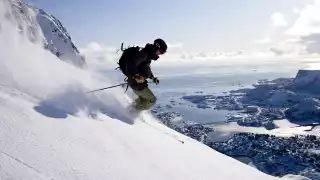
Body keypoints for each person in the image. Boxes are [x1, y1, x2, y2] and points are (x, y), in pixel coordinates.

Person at [124, 38, 167, 112]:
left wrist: (152, 78)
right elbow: (130, 63)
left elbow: (145, 69)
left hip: (138, 82)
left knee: (145, 99)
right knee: (151, 100)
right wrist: (135, 75)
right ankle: (132, 111)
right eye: (161, 51)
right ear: (157, 47)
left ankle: (130, 109)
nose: (160, 54)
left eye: (163, 53)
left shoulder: (148, 56)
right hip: (135, 82)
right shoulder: (144, 54)